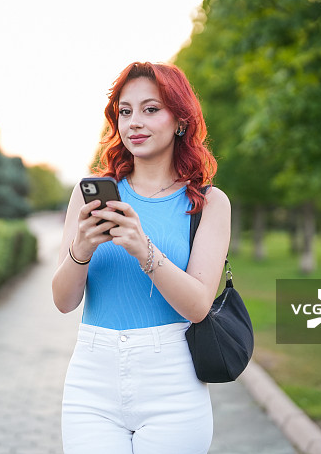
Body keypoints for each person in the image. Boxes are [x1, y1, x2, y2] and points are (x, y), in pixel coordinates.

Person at [52, 61, 231, 454]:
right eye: (125, 111)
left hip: (172, 381)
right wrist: (81, 249)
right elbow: (64, 301)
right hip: (92, 381)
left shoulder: (208, 203)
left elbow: (200, 305)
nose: (135, 122)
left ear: (181, 120)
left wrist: (142, 248)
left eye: (151, 109)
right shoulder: (89, 196)